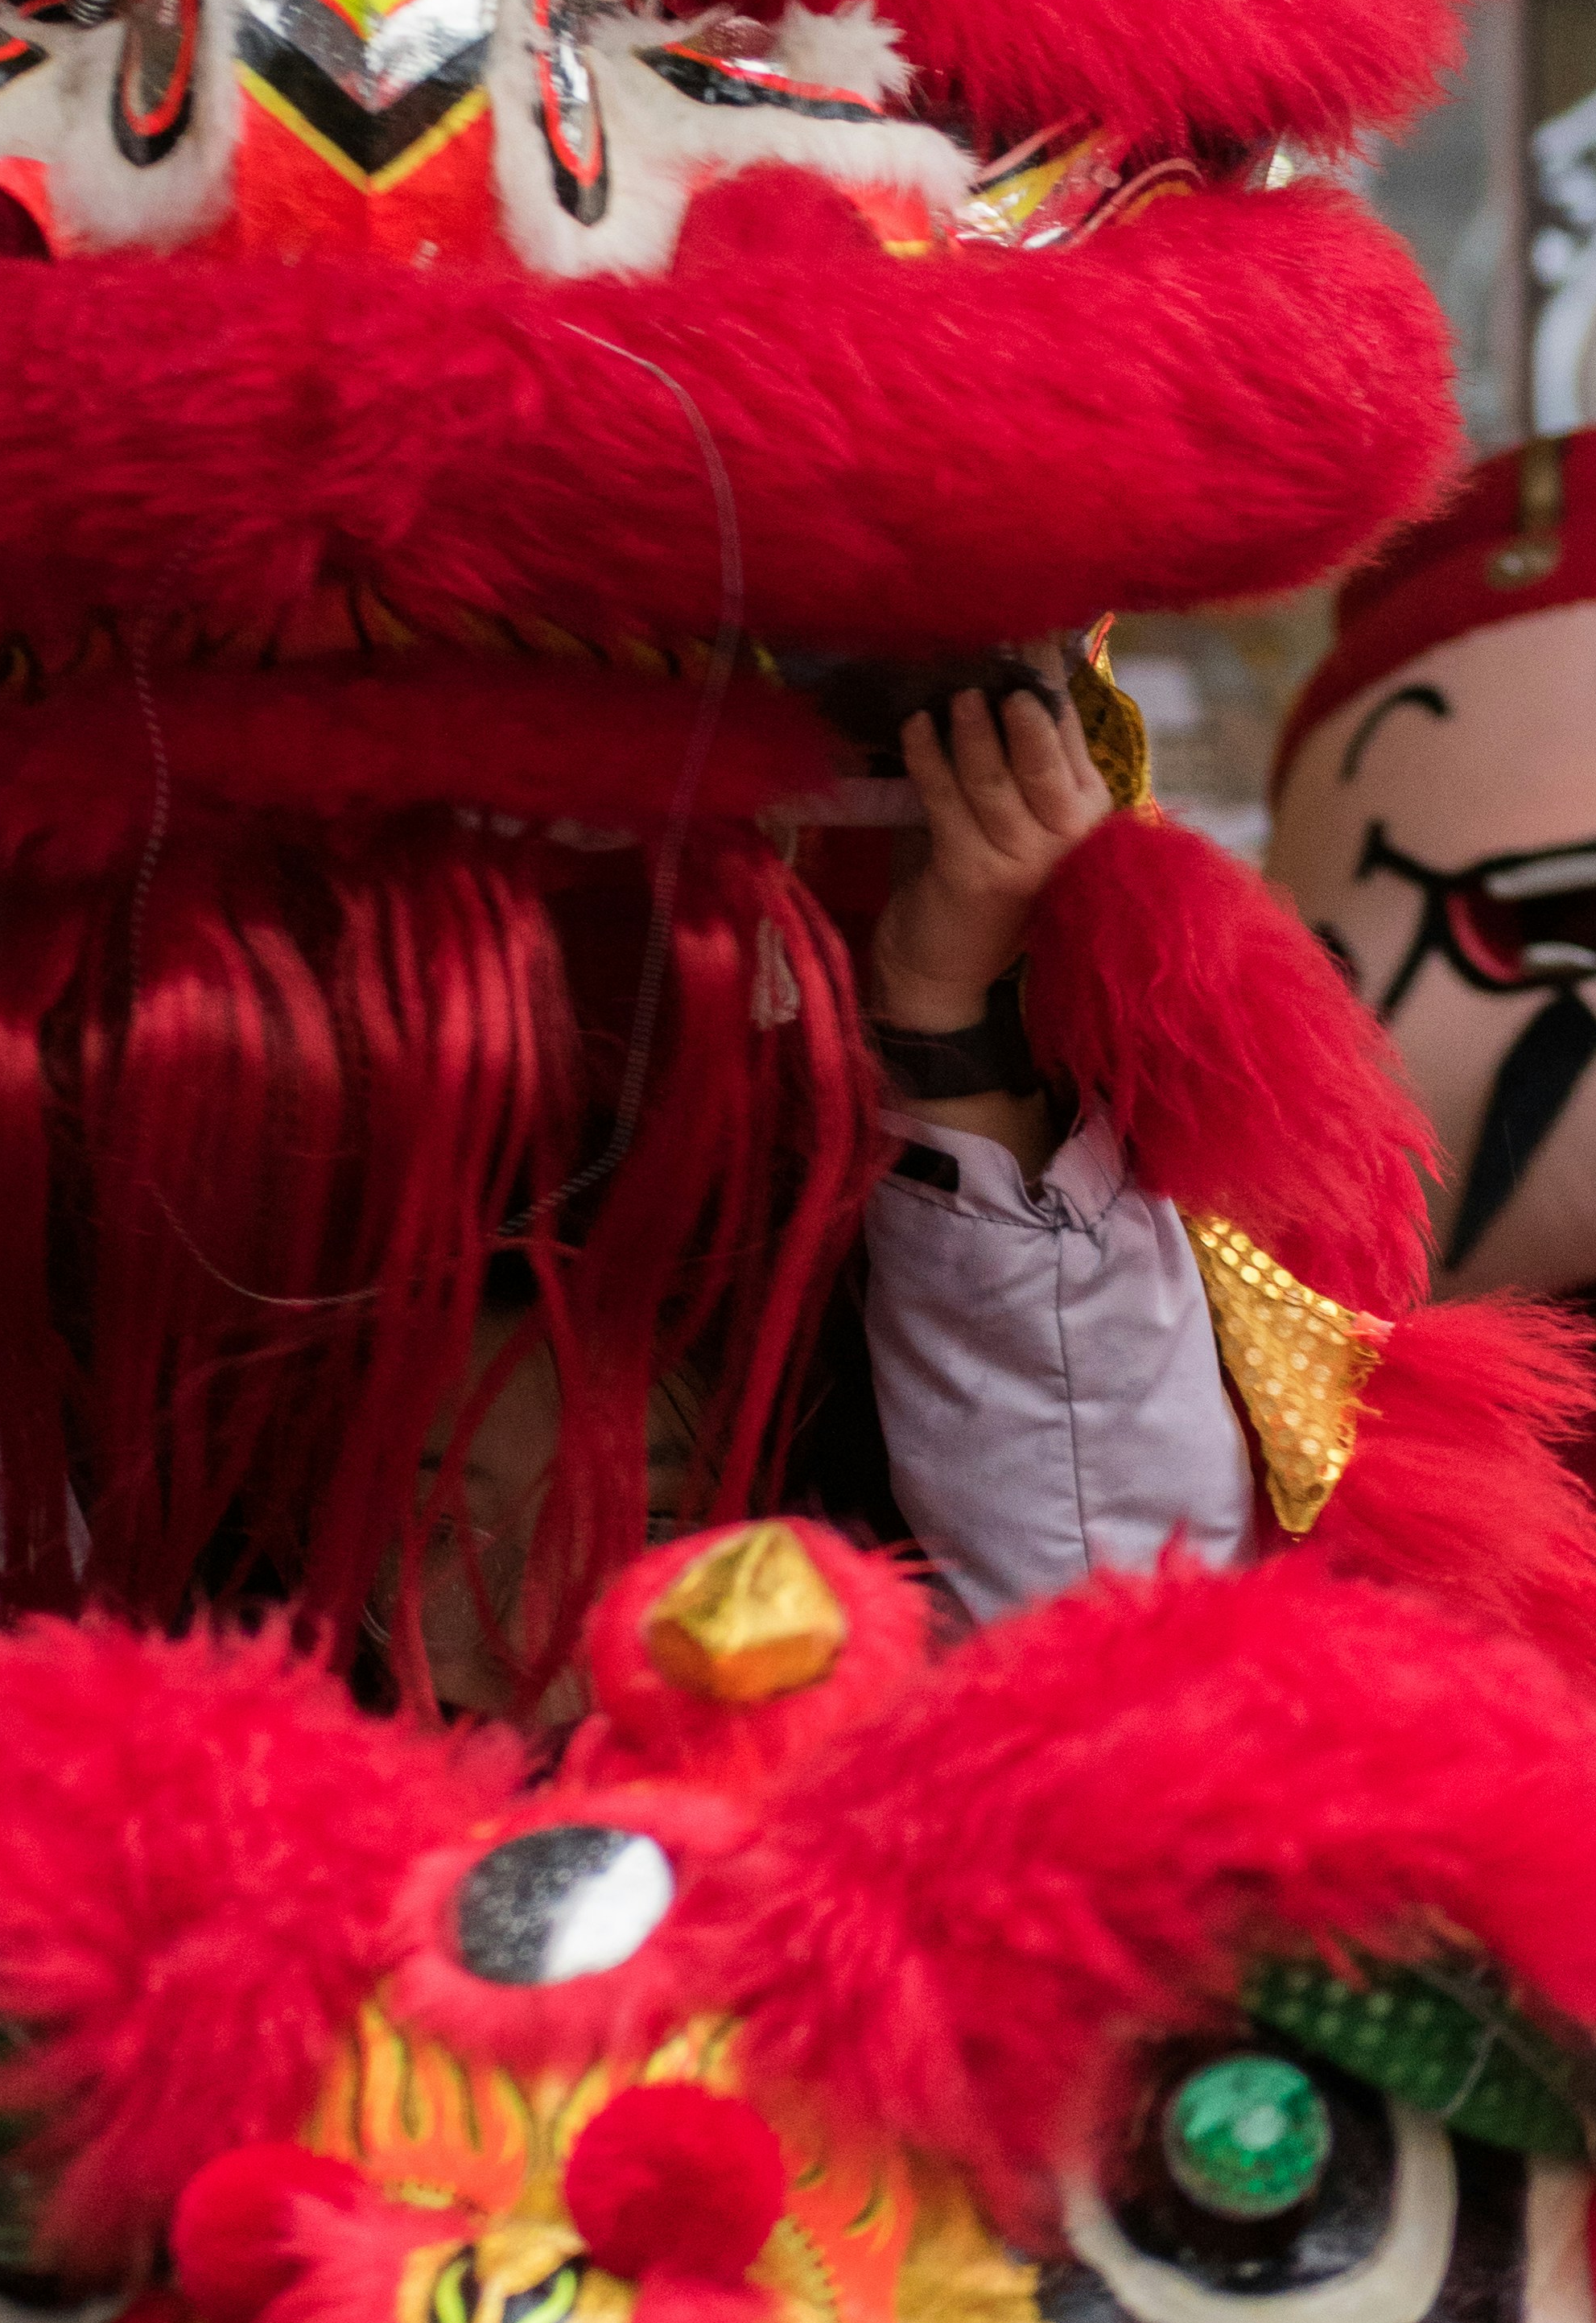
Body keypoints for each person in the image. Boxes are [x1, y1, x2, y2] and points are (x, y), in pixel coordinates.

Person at [411, 670, 1263, 1723]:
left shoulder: (881, 1835)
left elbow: (1099, 1652)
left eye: (657, 1526)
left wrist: (946, 1016)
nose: (531, 1639)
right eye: (441, 1526)